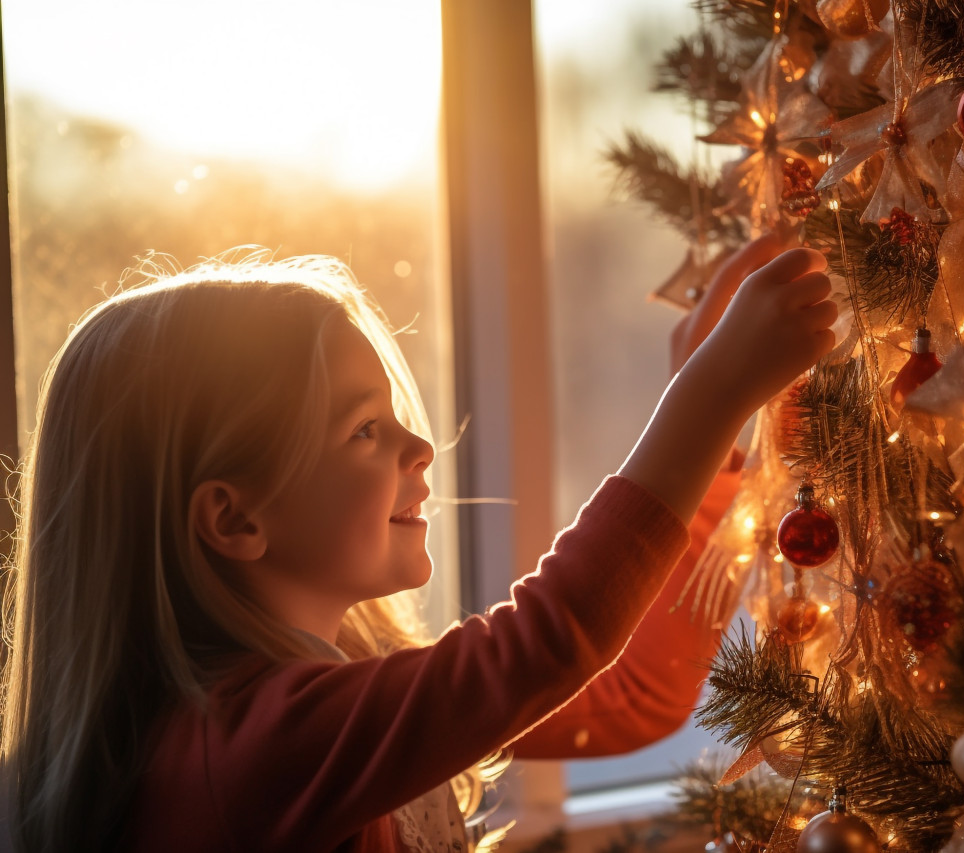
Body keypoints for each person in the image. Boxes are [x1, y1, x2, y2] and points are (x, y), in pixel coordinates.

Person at [0, 236, 835, 852]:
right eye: (364, 428)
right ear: (235, 520)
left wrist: (718, 456)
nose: (419, 447)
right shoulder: (248, 750)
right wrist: (713, 391)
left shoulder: (334, 675)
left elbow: (630, 698)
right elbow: (549, 641)